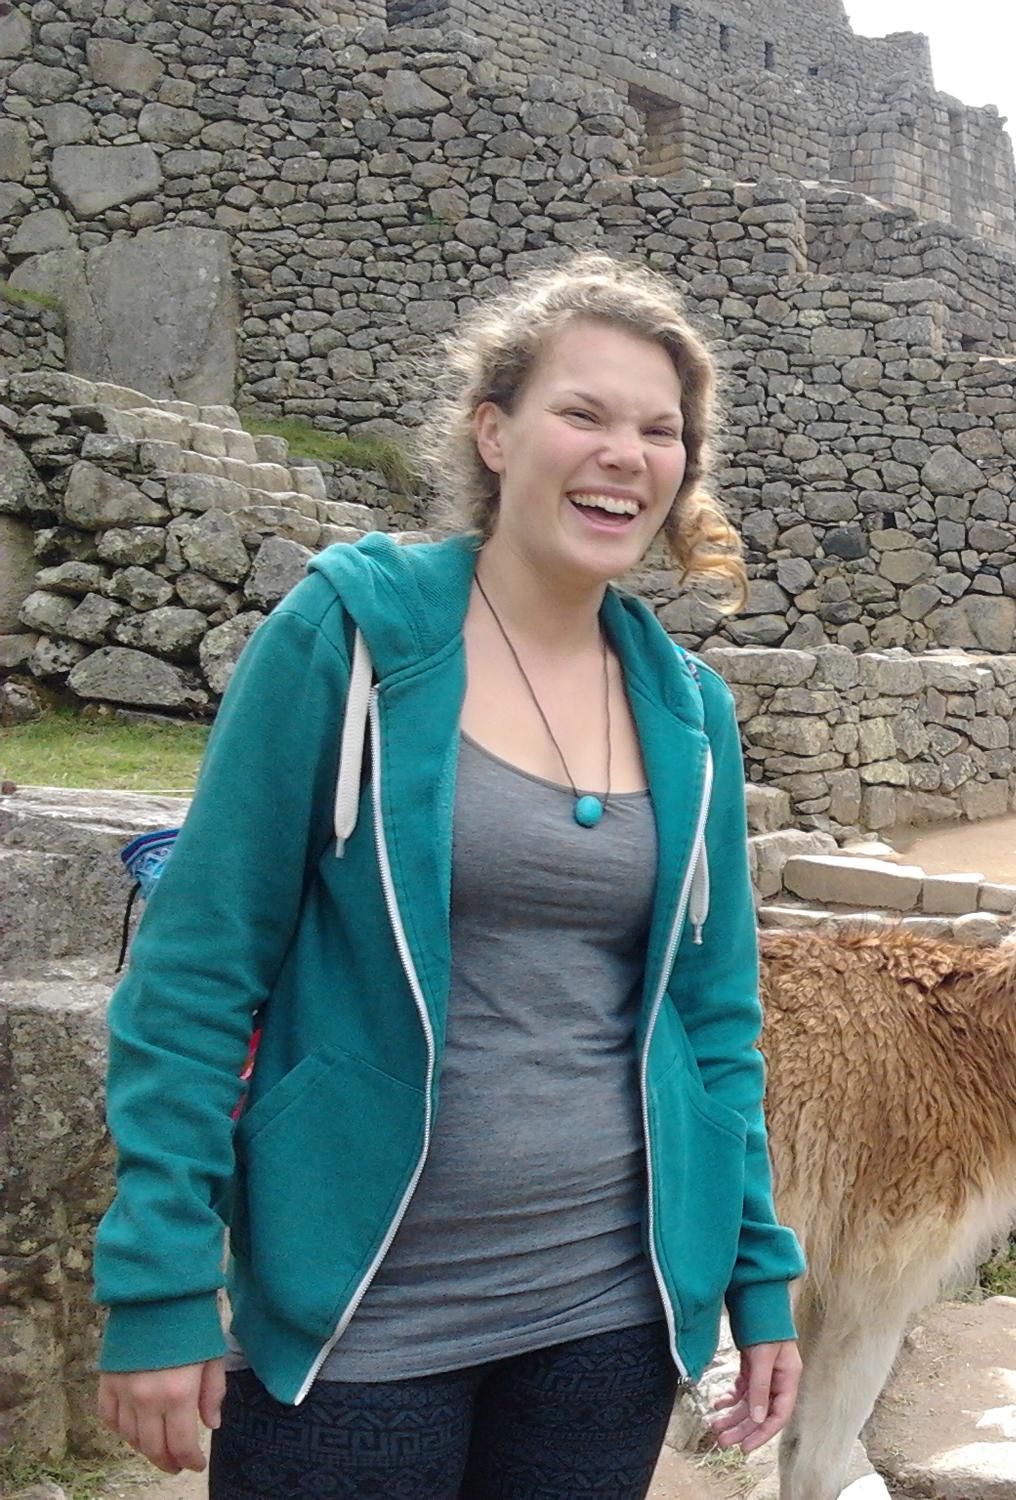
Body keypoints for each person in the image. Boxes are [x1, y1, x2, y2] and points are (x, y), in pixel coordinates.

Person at [92, 254, 806, 1496]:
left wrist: (756, 1268)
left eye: (659, 430)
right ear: (493, 430)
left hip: (609, 1315)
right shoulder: (351, 639)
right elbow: (196, 970)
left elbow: (714, 1017)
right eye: (582, 413)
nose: (624, 455)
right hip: (362, 1315)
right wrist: (158, 1279)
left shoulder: (688, 711)